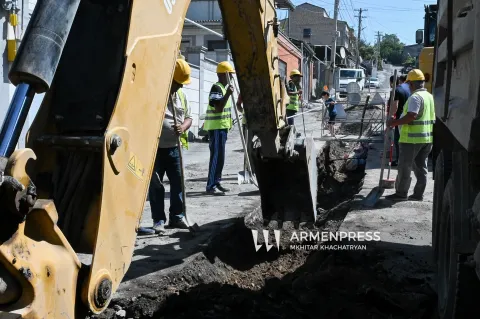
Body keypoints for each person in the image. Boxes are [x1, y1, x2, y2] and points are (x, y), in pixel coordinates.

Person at [149, 59, 193, 234]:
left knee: (178, 183)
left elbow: (189, 117)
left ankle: (177, 216)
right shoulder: (155, 94)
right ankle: (158, 220)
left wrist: (183, 127)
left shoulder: (182, 96)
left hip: (174, 149)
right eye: (178, 83)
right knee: (156, 185)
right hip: (155, 150)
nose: (180, 87)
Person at [385, 69, 434, 201]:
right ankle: (418, 194)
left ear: (411, 84)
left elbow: (412, 115)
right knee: (421, 167)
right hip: (427, 138)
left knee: (404, 166)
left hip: (411, 139)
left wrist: (394, 123)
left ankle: (401, 193)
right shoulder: (429, 96)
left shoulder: (415, 97)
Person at [204, 61, 236, 195]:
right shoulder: (217, 88)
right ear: (224, 75)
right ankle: (211, 185)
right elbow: (217, 109)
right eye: (231, 75)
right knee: (216, 156)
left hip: (222, 128)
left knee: (221, 157)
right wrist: (228, 94)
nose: (232, 77)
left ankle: (217, 181)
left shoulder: (224, 88)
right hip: (216, 129)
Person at [388, 75, 410, 166]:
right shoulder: (405, 89)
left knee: (397, 140)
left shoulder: (395, 91)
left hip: (398, 117)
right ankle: (403, 159)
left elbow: (395, 106)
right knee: (403, 139)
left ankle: (398, 160)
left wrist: (391, 118)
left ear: (391, 82)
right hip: (404, 116)